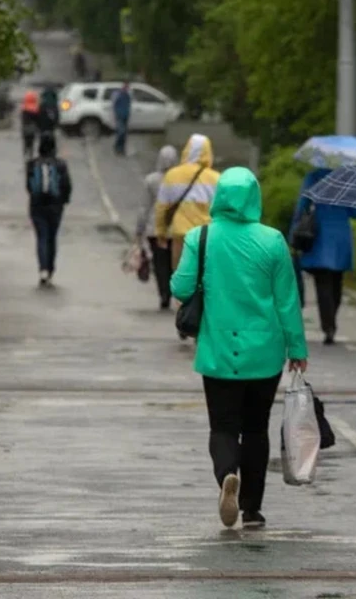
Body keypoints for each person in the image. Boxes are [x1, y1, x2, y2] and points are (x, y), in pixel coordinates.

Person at [171, 167, 309, 529]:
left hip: (217, 351)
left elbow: (181, 288)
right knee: (257, 428)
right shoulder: (273, 241)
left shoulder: (199, 238)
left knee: (222, 426)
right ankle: (251, 507)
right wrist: (297, 346)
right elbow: (287, 302)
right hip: (264, 352)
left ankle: (226, 476)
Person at [290, 168, 356, 345]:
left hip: (320, 235)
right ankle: (331, 323)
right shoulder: (347, 179)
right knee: (337, 282)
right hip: (341, 237)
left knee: (323, 283)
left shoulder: (313, 177)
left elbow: (302, 206)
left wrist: (294, 231)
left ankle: (328, 326)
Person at [154, 134, 221, 274]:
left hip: (181, 236)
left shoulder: (172, 175)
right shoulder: (216, 179)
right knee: (207, 277)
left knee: (181, 277)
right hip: (207, 237)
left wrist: (161, 232)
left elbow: (161, 207)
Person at [135, 145, 179, 310]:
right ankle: (172, 289)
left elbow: (144, 207)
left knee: (159, 263)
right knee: (173, 261)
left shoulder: (151, 180)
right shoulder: (180, 180)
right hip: (176, 227)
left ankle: (163, 292)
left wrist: (139, 229)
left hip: (155, 227)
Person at [26, 132, 72, 286]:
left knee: (41, 237)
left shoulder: (32, 164)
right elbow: (66, 185)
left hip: (37, 205)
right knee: (52, 237)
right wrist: (64, 200)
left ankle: (43, 269)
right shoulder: (60, 164)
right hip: (55, 206)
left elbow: (28, 186)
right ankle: (51, 269)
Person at [112, 82, 132, 156]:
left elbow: (128, 105)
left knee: (124, 134)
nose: (127, 89)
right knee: (121, 132)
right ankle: (118, 148)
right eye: (126, 88)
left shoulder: (127, 96)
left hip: (125, 116)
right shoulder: (119, 95)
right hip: (120, 116)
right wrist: (117, 114)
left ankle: (122, 149)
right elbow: (115, 105)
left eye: (127, 88)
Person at [20, 91, 40, 160]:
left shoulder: (24, 108)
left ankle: (25, 152)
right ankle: (30, 154)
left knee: (26, 141)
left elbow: (22, 120)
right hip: (32, 128)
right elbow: (37, 120)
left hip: (25, 128)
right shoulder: (36, 109)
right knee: (31, 141)